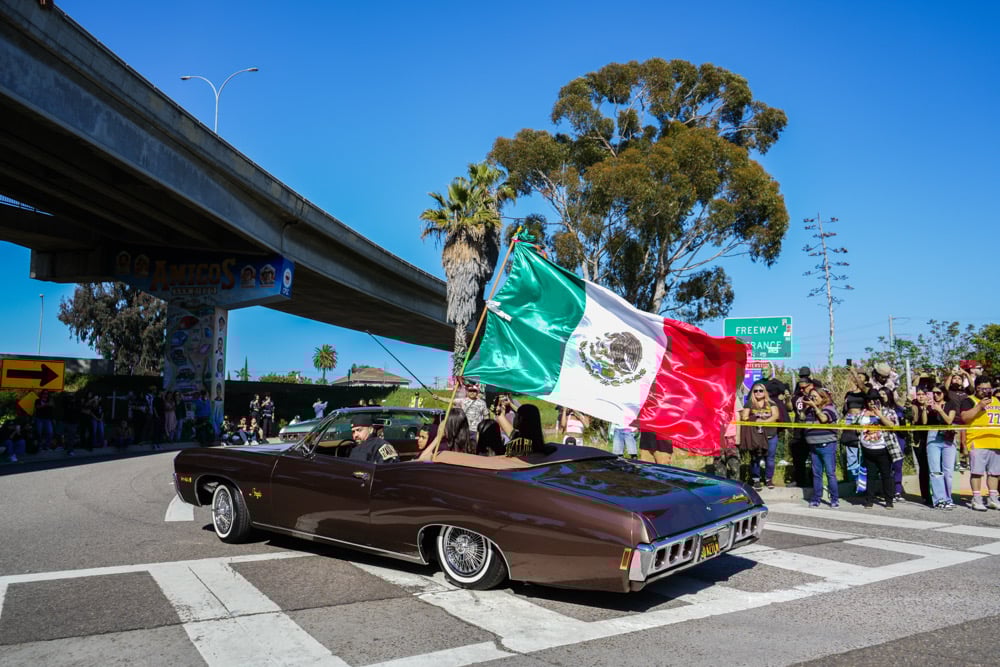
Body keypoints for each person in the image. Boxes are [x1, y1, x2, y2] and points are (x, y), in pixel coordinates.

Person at [960, 376, 1000, 511]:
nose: (985, 391)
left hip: (996, 441)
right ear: (976, 388)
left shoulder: (997, 400)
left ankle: (993, 498)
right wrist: (979, 406)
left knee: (994, 473)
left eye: (988, 389)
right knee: (977, 472)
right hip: (977, 441)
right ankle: (976, 499)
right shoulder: (969, 400)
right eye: (982, 389)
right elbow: (965, 418)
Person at [859, 389, 900, 509]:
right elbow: (854, 425)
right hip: (867, 448)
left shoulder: (888, 411)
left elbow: (893, 426)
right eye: (869, 401)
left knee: (886, 475)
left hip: (883, 448)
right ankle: (869, 500)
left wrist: (880, 415)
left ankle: (889, 500)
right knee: (870, 475)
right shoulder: (863, 413)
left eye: (874, 401)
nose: (872, 403)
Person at [803, 387, 839, 507]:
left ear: (823, 397)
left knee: (830, 473)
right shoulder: (809, 410)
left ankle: (834, 499)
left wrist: (815, 407)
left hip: (827, 445)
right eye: (811, 396)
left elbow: (824, 419)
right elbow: (802, 418)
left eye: (815, 396)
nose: (812, 398)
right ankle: (816, 498)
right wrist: (806, 406)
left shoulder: (829, 408)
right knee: (816, 473)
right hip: (813, 445)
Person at [740, 381, 780, 490]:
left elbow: (776, 415)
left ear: (765, 392)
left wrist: (764, 422)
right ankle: (756, 480)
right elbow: (744, 417)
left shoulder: (771, 403)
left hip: (771, 435)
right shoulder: (749, 403)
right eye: (755, 391)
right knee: (755, 458)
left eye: (760, 390)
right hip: (756, 436)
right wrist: (755, 419)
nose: (758, 392)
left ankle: (768, 479)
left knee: (770, 459)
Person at [926, 384, 958, 509]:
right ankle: (939, 499)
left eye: (938, 393)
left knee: (948, 471)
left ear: (944, 393)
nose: (935, 395)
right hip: (933, 435)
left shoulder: (951, 404)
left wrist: (939, 410)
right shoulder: (930, 406)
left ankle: (948, 498)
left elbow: (949, 420)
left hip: (948, 437)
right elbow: (924, 422)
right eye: (933, 393)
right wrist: (925, 409)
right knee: (935, 471)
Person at [908, 389, 934, 506]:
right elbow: (918, 421)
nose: (921, 397)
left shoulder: (933, 406)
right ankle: (926, 496)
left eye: (923, 394)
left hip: (933, 439)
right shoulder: (913, 407)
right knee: (924, 468)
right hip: (919, 440)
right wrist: (921, 409)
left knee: (934, 467)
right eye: (918, 394)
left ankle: (937, 494)